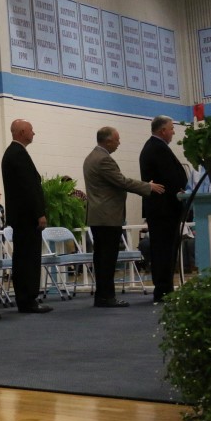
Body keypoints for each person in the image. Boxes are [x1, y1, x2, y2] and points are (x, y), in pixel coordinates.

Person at [83, 127, 164, 308]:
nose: (119, 143)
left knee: (101, 258)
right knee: (107, 259)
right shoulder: (104, 159)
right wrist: (148, 186)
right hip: (107, 217)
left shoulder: (91, 157)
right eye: (117, 140)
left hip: (98, 217)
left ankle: (102, 296)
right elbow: (122, 181)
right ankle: (107, 297)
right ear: (108, 141)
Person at [1, 119, 53, 313]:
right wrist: (39, 213)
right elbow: (28, 187)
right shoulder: (17, 154)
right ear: (22, 132)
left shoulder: (14, 153)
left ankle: (26, 298)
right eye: (31, 130)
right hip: (26, 217)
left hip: (21, 217)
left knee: (24, 258)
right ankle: (28, 299)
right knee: (28, 259)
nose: (34, 133)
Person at [139, 116, 189, 303]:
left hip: (163, 208)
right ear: (162, 131)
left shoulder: (155, 147)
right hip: (163, 209)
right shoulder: (157, 148)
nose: (173, 132)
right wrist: (181, 189)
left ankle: (165, 288)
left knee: (166, 249)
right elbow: (170, 177)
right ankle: (163, 290)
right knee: (163, 250)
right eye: (171, 128)